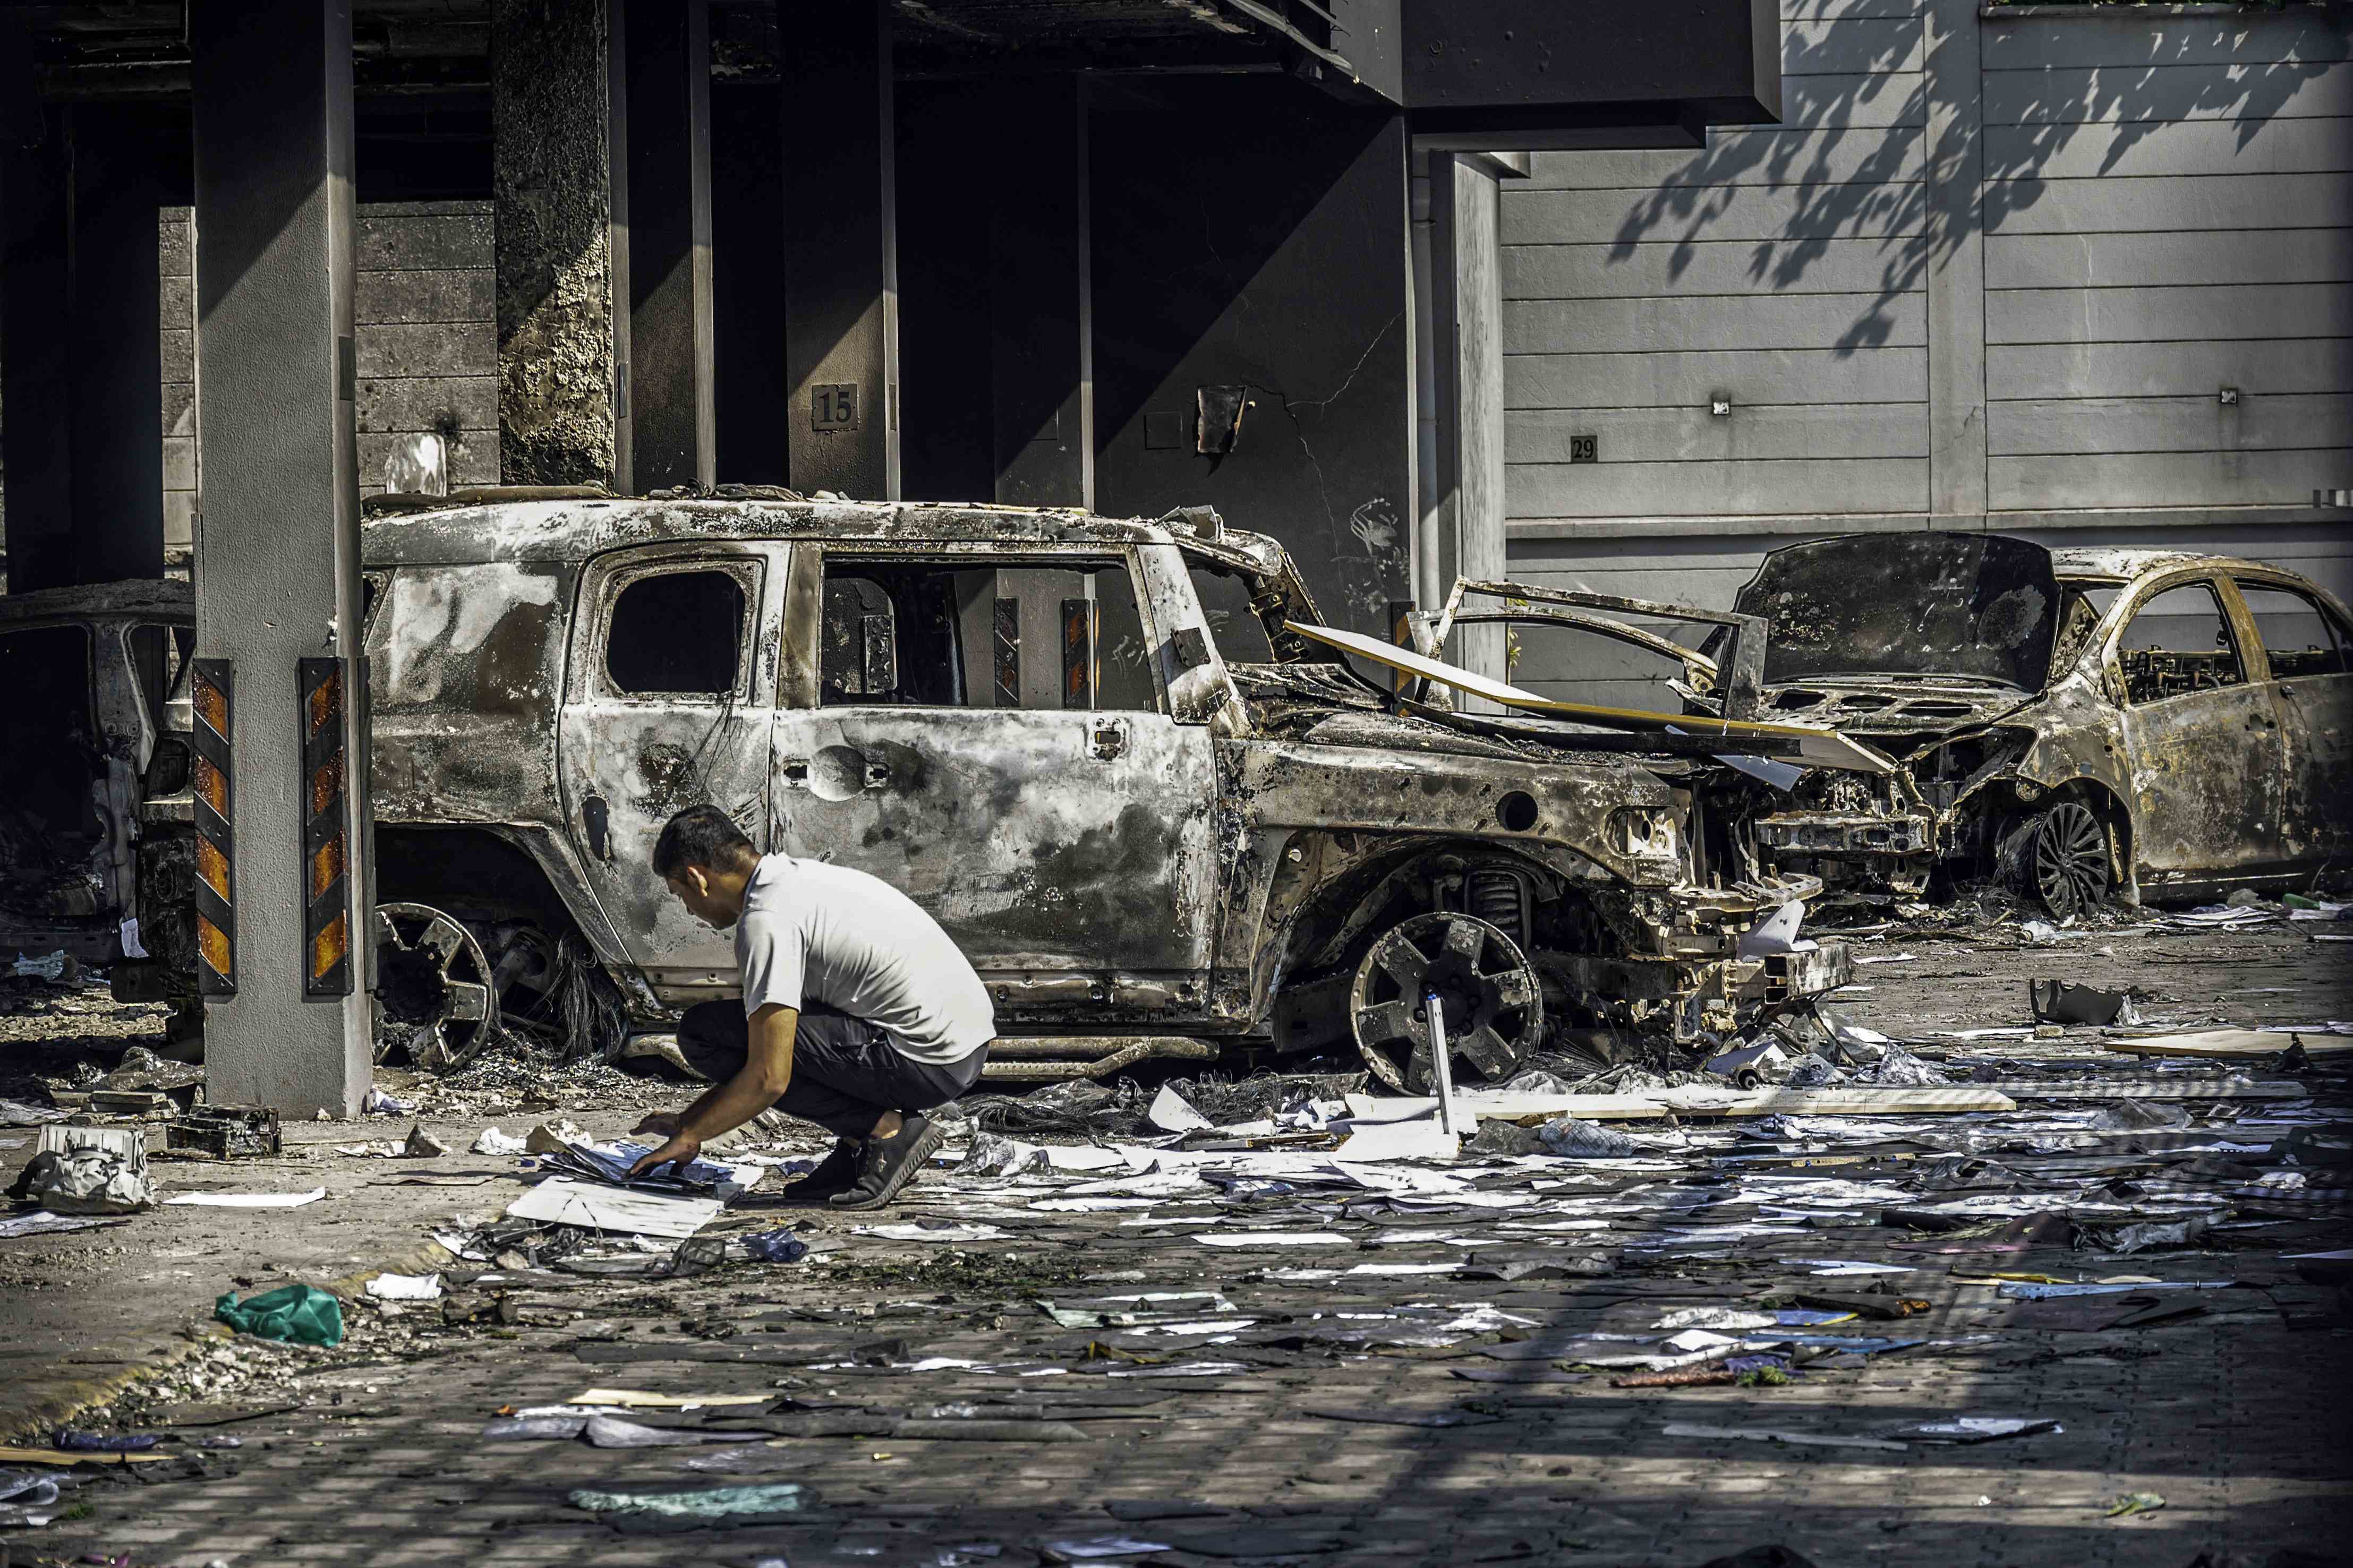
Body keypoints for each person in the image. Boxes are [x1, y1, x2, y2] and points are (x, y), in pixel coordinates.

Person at [625, 804, 994, 1210]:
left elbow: (770, 1076)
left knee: (704, 1036)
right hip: (962, 1041)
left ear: (698, 878)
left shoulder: (766, 920)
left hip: (930, 1058)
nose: (689, 910)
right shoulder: (794, 877)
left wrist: (692, 1133)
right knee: (751, 1029)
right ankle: (857, 1145)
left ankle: (888, 1133)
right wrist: (687, 1121)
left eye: (681, 896)